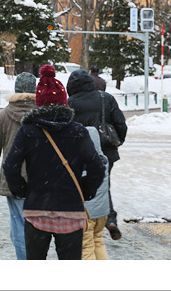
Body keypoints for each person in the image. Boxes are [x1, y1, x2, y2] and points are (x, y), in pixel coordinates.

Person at [3, 64, 105, 260]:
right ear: (64, 102)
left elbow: (10, 166)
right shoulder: (78, 131)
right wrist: (85, 190)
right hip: (71, 210)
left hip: (36, 209)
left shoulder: (28, 131)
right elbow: (96, 165)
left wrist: (22, 191)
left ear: (39, 103)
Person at [66, 68, 127, 241]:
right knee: (103, 184)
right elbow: (120, 124)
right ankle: (109, 219)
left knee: (81, 186)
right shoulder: (105, 98)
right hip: (106, 151)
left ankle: (85, 222)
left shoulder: (69, 102)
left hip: (80, 153)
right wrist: (116, 143)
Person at [0, 72, 37, 259]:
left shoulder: (4, 115)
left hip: (12, 176)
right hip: (39, 176)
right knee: (35, 224)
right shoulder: (42, 112)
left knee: (18, 222)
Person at [82, 126, 111, 260]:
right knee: (98, 240)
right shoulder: (104, 160)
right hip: (102, 212)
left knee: (86, 245)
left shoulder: (83, 163)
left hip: (87, 212)